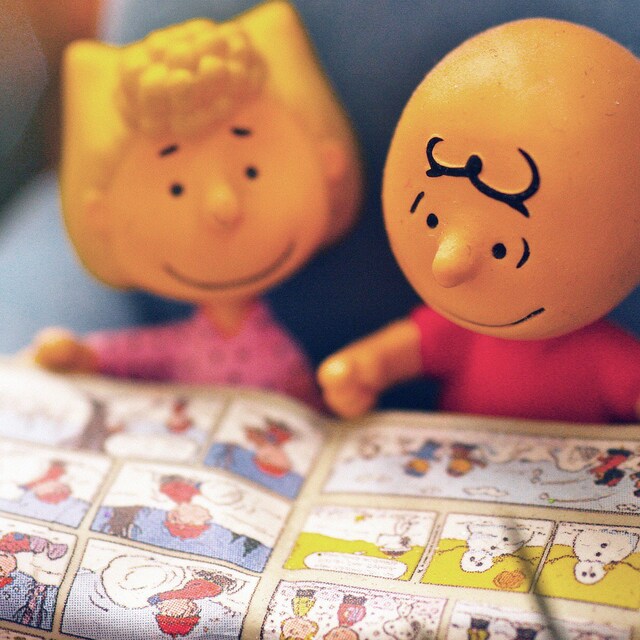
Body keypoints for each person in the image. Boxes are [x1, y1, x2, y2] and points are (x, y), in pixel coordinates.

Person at [32, 1, 362, 409]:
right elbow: (142, 352)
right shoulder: (182, 343)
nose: (223, 207)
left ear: (329, 162)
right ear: (99, 214)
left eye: (251, 171)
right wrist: (86, 355)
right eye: (176, 188)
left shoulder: (301, 331)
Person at [319, 18, 640, 424]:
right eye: (432, 218)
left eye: (504, 249)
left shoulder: (600, 355)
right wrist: (360, 370)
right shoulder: (461, 332)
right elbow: (399, 352)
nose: (448, 265)